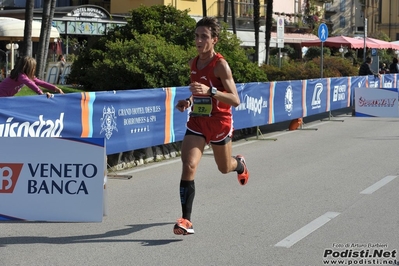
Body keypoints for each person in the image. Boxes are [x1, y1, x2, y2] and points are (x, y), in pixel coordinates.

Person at [173, 17, 249, 235]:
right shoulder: (193, 63)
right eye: (196, 36)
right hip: (198, 120)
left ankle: (240, 165)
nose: (199, 40)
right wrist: (188, 101)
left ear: (214, 40)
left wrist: (211, 91)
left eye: (204, 36)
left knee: (224, 168)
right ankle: (186, 220)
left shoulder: (221, 65)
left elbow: (235, 99)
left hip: (219, 122)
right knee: (188, 165)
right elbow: (198, 91)